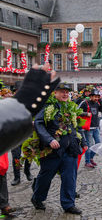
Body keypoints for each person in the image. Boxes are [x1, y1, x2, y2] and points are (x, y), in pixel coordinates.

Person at [32, 83, 87, 214]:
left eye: (67, 92)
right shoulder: (47, 107)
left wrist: (83, 141)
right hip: (52, 151)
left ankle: (68, 204)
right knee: (45, 177)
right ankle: (38, 198)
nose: (65, 94)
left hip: (70, 149)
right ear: (54, 93)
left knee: (70, 178)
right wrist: (49, 139)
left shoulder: (71, 108)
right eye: (62, 91)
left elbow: (77, 126)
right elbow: (39, 124)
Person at [79, 89, 102, 168]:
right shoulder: (85, 103)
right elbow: (77, 111)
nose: (96, 98)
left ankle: (91, 158)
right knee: (89, 145)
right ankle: (87, 161)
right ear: (90, 96)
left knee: (98, 143)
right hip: (88, 128)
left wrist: (100, 99)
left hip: (96, 127)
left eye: (97, 97)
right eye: (95, 96)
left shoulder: (97, 103)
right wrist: (85, 113)